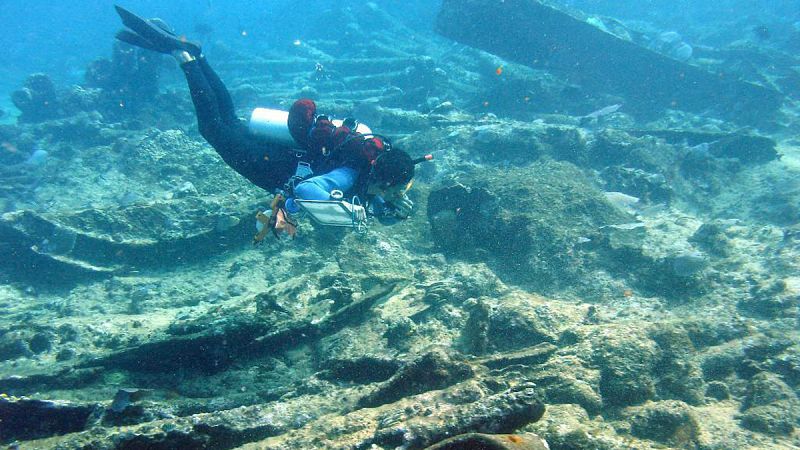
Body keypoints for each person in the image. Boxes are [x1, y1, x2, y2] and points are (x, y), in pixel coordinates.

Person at [114, 6, 425, 240]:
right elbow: (308, 191)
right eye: (397, 191)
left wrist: (390, 213)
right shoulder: (349, 174)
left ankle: (198, 57)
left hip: (276, 156)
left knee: (228, 120)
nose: (400, 195)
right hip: (269, 165)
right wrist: (353, 217)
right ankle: (185, 58)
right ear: (382, 179)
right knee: (212, 128)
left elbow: (371, 202)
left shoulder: (369, 171)